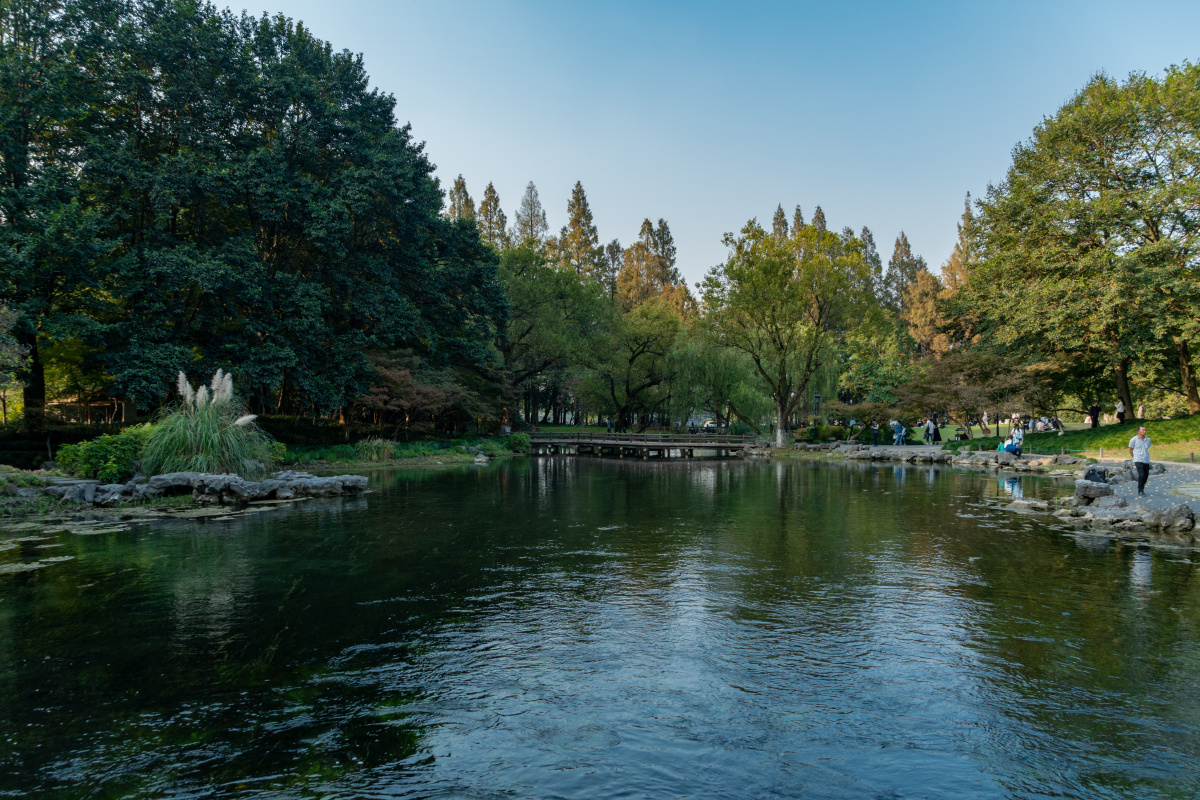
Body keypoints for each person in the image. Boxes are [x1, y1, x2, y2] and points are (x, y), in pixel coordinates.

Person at [1128, 426, 1152, 496]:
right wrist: (1134, 457)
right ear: (1138, 431)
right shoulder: (1134, 439)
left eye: (1145, 430)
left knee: (1146, 475)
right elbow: (1130, 449)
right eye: (1143, 430)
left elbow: (1147, 448)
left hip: (1146, 459)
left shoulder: (1148, 439)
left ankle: (1142, 486)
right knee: (1141, 474)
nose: (1144, 431)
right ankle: (1140, 490)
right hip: (1138, 459)